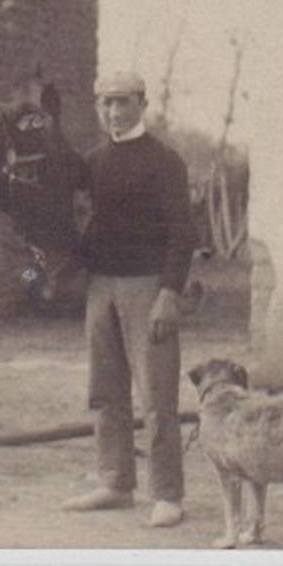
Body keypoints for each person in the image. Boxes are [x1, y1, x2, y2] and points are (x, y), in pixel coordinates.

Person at [62, 70, 196, 528]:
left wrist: (169, 294)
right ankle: (116, 483)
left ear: (142, 102)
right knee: (105, 391)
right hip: (102, 287)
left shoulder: (165, 161)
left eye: (122, 102)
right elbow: (90, 227)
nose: (114, 112)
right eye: (106, 104)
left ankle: (168, 494)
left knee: (157, 396)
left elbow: (183, 234)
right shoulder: (94, 161)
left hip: (148, 288)